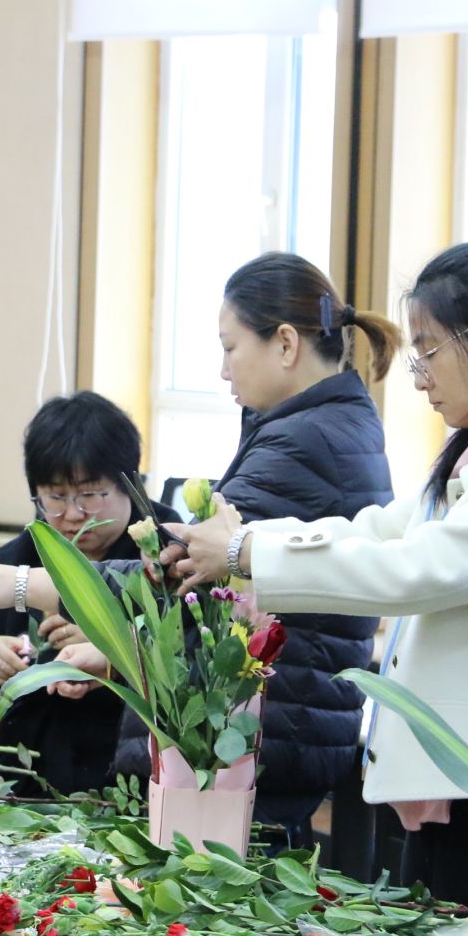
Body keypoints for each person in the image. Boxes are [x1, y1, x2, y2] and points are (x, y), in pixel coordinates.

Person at [165, 242, 468, 906]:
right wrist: (248, 542)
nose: (419, 378)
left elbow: (418, 567)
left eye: (429, 351)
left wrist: (247, 552)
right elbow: (378, 531)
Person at [99, 254, 396, 846]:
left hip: (259, 736)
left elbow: (187, 571)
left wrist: (30, 585)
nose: (222, 370)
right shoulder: (325, 424)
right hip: (285, 727)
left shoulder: (306, 439)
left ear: (285, 343)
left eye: (230, 347)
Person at [0, 392, 175, 794]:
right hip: (19, 782)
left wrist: (113, 647)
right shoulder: (22, 556)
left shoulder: (167, 553)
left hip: (126, 785)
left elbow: (189, 658)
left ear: (130, 483)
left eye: (90, 495)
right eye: (55, 496)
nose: (72, 514)